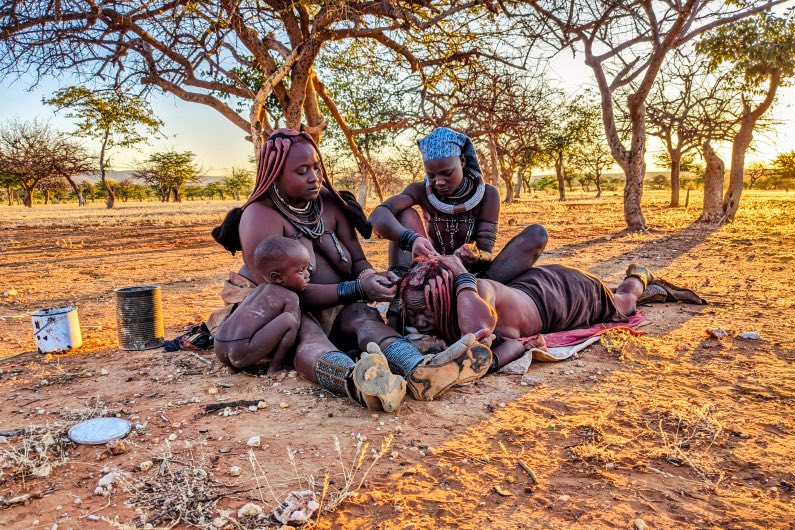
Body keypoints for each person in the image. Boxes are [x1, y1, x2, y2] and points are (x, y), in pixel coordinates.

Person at [211, 129, 492, 412]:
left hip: (340, 303)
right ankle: (357, 384)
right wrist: (356, 289)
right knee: (307, 334)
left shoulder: (330, 203)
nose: (314, 177)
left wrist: (371, 278)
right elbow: (286, 293)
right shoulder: (259, 216)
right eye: (302, 171)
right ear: (276, 175)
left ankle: (420, 371)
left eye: (316, 167)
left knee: (365, 318)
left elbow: (357, 261)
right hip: (286, 311)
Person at [399, 257, 655, 371]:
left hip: (562, 295)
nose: (419, 322)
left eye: (427, 312)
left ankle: (638, 276)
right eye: (414, 312)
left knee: (624, 304)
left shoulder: (477, 291)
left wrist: (463, 275)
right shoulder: (440, 304)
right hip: (531, 286)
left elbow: (477, 331)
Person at [369, 127, 548, 284]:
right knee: (404, 214)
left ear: (462, 161)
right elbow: (378, 215)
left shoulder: (488, 195)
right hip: (431, 272)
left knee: (537, 234)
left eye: (446, 173)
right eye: (431, 176)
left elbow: (486, 254)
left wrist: (475, 254)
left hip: (476, 275)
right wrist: (411, 240)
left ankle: (479, 290)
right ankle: (399, 307)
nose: (438, 182)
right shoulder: (419, 191)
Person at [214, 236, 309, 374]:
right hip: (241, 352)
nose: (307, 274)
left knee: (231, 317)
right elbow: (291, 330)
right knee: (290, 320)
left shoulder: (257, 290)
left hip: (220, 348)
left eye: (307, 268)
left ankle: (232, 368)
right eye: (301, 270)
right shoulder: (290, 297)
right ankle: (277, 367)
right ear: (277, 277)